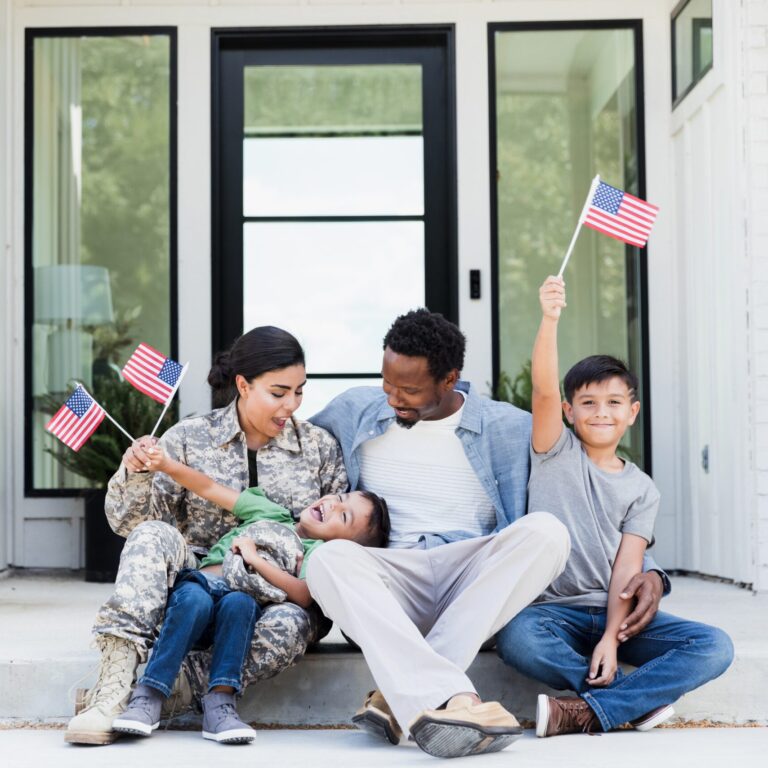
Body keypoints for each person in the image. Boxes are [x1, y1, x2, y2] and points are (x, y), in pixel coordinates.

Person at [306, 308, 572, 759]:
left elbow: (581, 490)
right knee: (327, 560)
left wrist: (644, 565)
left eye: (409, 390)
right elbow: (284, 448)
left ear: (450, 379)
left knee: (548, 532)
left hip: (471, 584)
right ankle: (457, 699)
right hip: (390, 584)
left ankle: (399, 695)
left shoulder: (506, 427)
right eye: (388, 384)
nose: (393, 399)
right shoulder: (354, 409)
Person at [65, 326, 348, 745]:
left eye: (299, 392)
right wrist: (136, 473)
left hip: (272, 602)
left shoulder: (319, 448)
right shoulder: (187, 438)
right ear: (243, 385)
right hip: (190, 593)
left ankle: (177, 689)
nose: (291, 404)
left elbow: (336, 542)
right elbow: (133, 525)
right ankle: (113, 688)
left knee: (291, 625)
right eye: (278, 392)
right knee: (151, 537)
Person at [495, 276, 734, 738]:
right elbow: (543, 389)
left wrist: (609, 636)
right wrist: (549, 318)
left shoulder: (642, 489)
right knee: (515, 638)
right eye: (587, 402)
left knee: (714, 646)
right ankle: (629, 702)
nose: (600, 412)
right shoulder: (553, 451)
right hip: (550, 613)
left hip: (615, 617)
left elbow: (627, 569)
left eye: (612, 402)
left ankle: (585, 711)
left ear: (632, 411)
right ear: (569, 411)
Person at [111, 446, 389, 743]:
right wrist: (167, 464)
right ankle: (149, 695)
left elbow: (304, 596)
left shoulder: (316, 553)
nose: (334, 505)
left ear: (343, 544)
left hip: (238, 610)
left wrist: (255, 560)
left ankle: (221, 705)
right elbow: (208, 487)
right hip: (200, 589)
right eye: (342, 498)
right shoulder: (271, 512)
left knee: (240, 604)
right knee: (194, 599)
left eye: (344, 518)